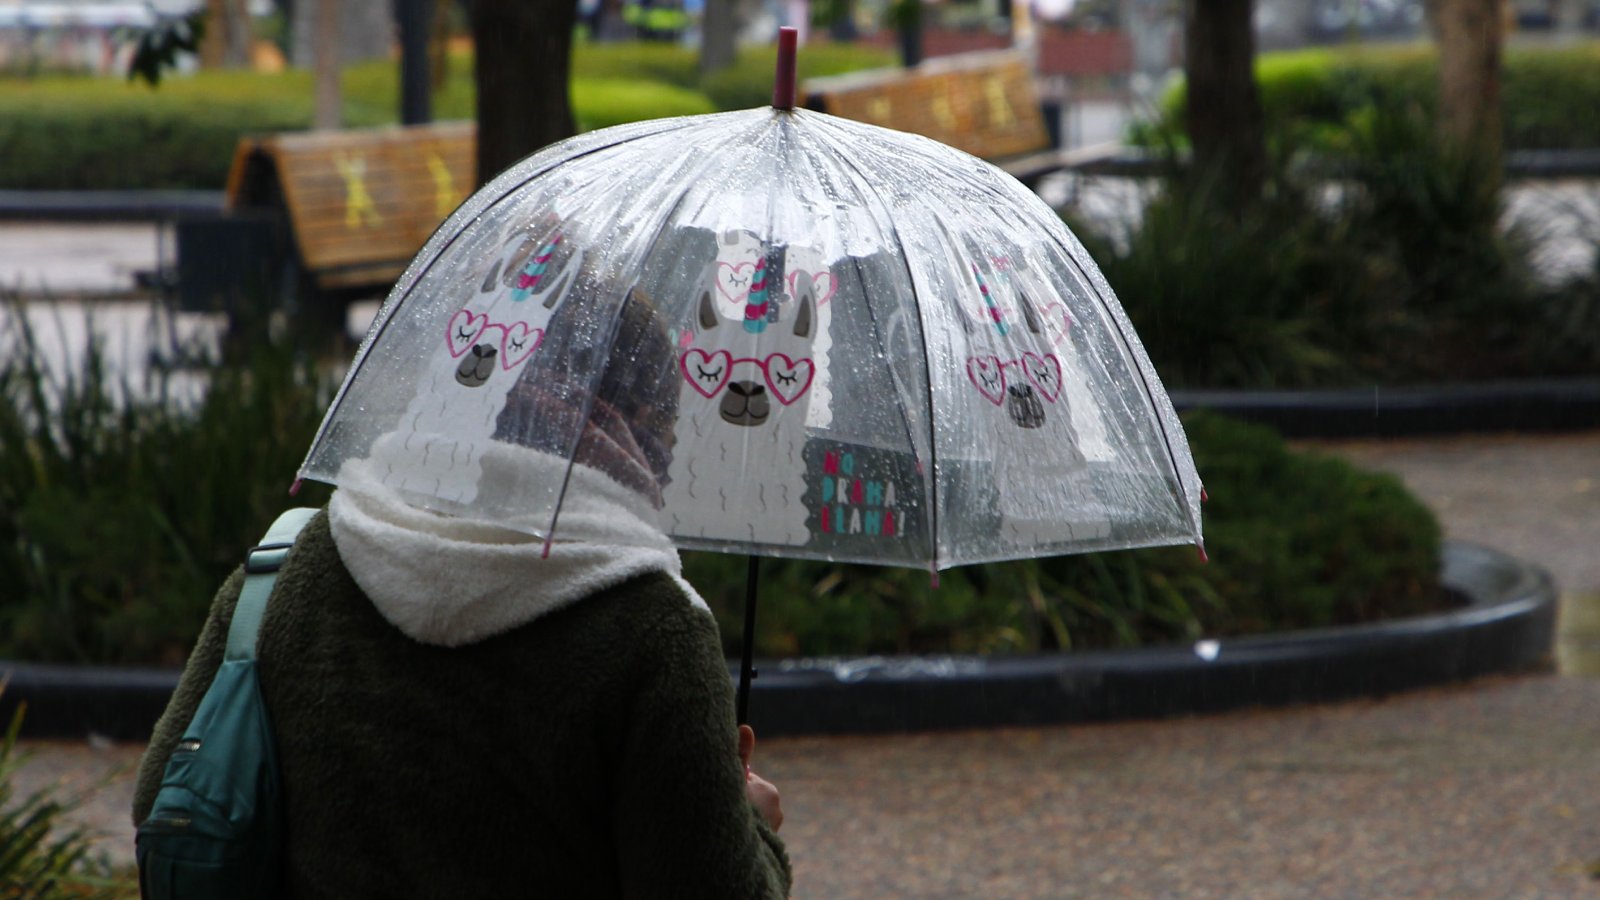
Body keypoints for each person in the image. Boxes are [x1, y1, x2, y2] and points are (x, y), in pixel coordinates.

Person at [132, 286, 792, 898]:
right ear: (640, 417)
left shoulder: (286, 577)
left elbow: (167, 802)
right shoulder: (653, 631)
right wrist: (754, 829)